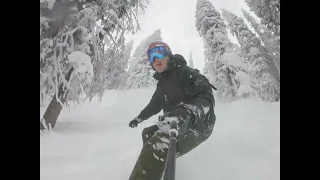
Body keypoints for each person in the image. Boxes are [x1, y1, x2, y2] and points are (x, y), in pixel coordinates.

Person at [128, 41, 216, 180]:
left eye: (160, 53)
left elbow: (206, 96)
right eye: (152, 56)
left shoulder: (184, 72)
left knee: (157, 145)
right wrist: (138, 118)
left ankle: (155, 157)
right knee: (148, 134)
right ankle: (154, 166)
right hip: (175, 122)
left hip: (199, 124)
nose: (157, 59)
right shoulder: (162, 84)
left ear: (168, 54)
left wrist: (189, 112)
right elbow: (154, 106)